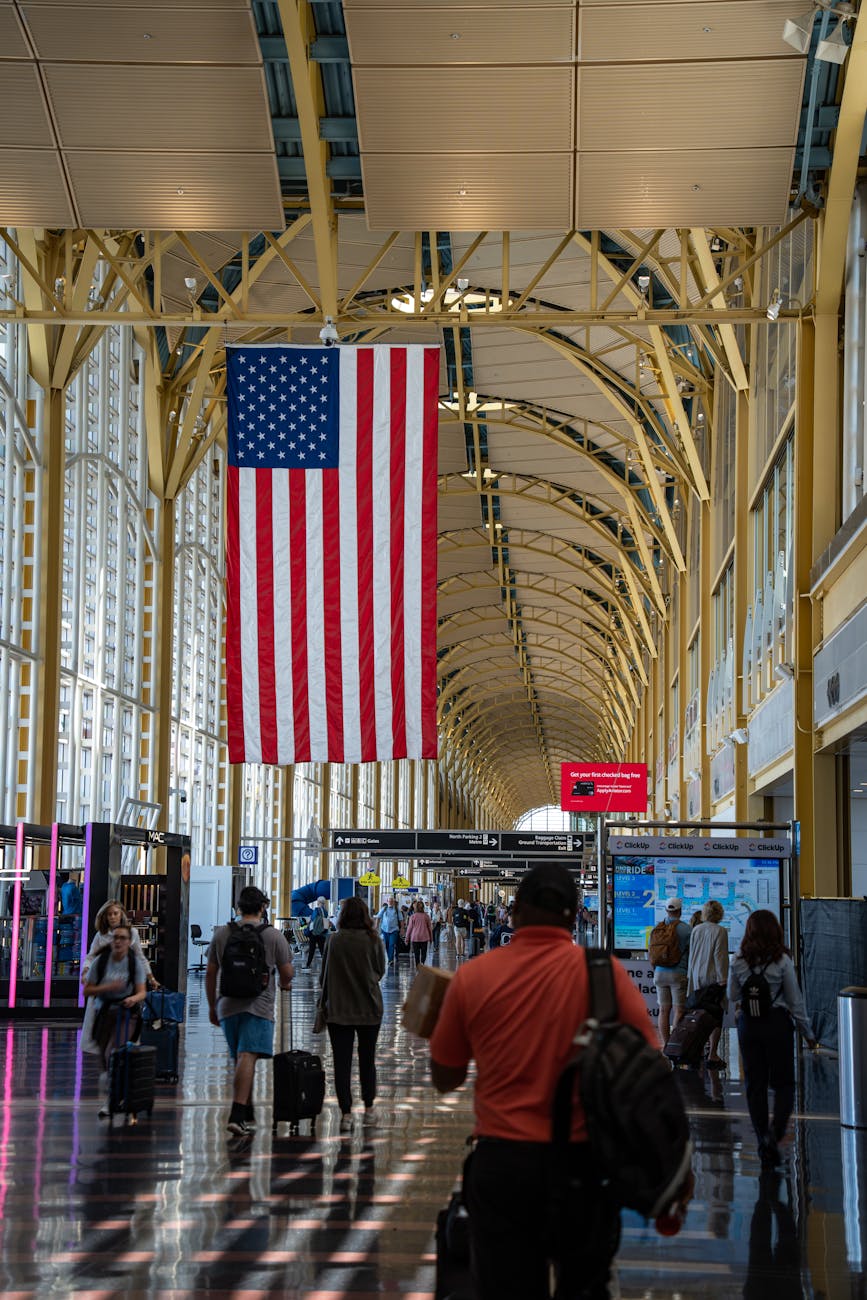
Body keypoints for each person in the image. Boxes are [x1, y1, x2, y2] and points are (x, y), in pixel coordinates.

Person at [429, 862, 667, 1300]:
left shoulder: (474, 977)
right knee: (585, 1287)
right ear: (574, 915)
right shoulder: (604, 974)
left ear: (514, 911)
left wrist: (439, 1025)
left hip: (503, 1167)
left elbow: (446, 1077)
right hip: (583, 1166)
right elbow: (651, 1065)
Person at [727, 910, 816, 1165]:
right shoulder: (782, 961)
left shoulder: (738, 960)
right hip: (777, 1024)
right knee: (784, 1083)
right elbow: (795, 1001)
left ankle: (762, 1137)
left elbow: (733, 995)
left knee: (755, 1085)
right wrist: (807, 1033)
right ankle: (774, 1136)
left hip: (749, 1025)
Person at [206, 886, 294, 1136]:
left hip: (227, 1005)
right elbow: (287, 973)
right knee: (247, 1057)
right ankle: (237, 1112)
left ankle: (247, 1108)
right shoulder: (273, 935)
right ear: (263, 907)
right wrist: (285, 982)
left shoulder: (223, 934)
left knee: (241, 1058)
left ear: (239, 908)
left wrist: (213, 1005)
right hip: (259, 1005)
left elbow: (211, 972)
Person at [320, 895, 386, 1131]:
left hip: (339, 1010)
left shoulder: (334, 941)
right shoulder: (373, 939)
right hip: (369, 1008)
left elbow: (323, 976)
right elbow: (380, 970)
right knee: (367, 1060)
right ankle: (369, 1108)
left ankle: (346, 1113)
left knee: (342, 1062)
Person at [81, 923, 147, 1115]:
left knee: (115, 1052)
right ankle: (112, 1088)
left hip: (126, 1012)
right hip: (104, 1012)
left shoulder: (134, 963)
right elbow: (87, 990)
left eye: (122, 938)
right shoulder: (101, 962)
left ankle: (112, 1099)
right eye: (115, 937)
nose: (118, 941)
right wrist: (107, 988)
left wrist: (132, 999)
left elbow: (142, 992)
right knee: (103, 1053)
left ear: (129, 941)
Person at [686, 899, 729, 1068]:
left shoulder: (696, 929)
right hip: (713, 979)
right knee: (716, 1016)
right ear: (719, 914)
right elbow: (720, 957)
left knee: (698, 1015)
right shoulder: (720, 931)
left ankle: (698, 1049)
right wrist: (723, 979)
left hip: (696, 977)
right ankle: (712, 1053)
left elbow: (692, 954)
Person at [81, 900, 157, 991]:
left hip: (125, 981)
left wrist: (151, 978)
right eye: (109, 914)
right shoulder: (101, 935)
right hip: (104, 981)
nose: (112, 917)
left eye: (115, 913)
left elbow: (140, 957)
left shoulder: (132, 933)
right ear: (106, 917)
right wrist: (85, 972)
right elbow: (91, 956)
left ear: (121, 915)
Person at [653, 898, 691, 1048]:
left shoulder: (658, 927)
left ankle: (665, 1044)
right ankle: (675, 1045)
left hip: (659, 973)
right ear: (680, 911)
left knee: (663, 1010)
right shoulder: (686, 929)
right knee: (679, 1010)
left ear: (667, 911)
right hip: (678, 973)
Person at [374, 895, 403, 968]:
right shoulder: (384, 908)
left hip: (394, 930)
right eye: (389, 901)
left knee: (392, 944)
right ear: (387, 902)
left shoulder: (397, 910)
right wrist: (376, 926)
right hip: (385, 930)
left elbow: (401, 920)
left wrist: (402, 929)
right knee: (387, 944)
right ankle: (390, 957)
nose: (390, 902)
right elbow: (378, 917)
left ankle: (390, 960)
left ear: (393, 902)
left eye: (391, 901)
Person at [404, 899, 433, 968]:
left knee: (416, 954)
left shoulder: (413, 916)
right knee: (424, 953)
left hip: (415, 937)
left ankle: (417, 966)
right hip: (424, 937)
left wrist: (407, 939)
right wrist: (431, 938)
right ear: (423, 908)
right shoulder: (426, 916)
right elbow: (430, 928)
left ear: (416, 907)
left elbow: (409, 928)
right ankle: (422, 963)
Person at [305, 897, 331, 968]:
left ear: (318, 902)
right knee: (322, 949)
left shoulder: (316, 910)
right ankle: (327, 965)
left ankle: (308, 964)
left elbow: (313, 919)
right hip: (322, 932)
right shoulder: (325, 911)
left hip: (314, 932)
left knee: (312, 949)